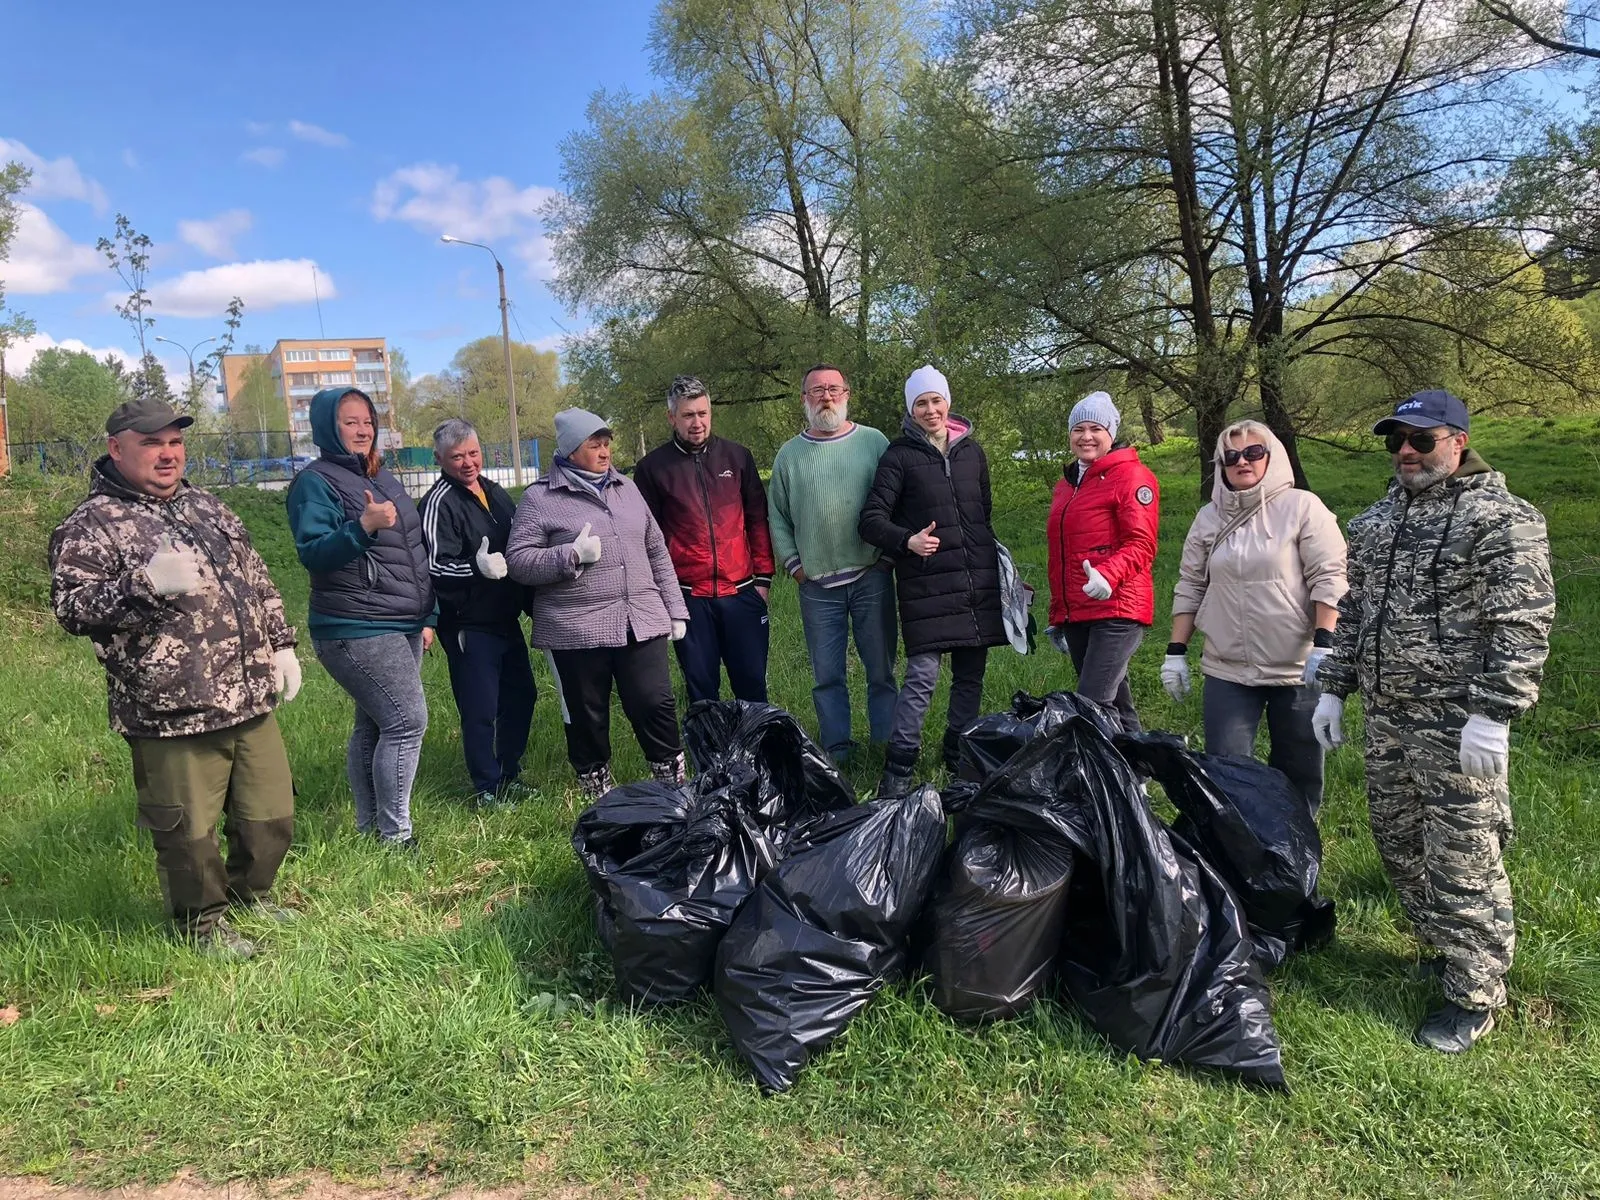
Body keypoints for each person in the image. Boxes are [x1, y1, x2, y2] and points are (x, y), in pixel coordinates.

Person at [1313, 390, 1554, 1053]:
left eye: (1421, 440)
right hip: (1390, 720)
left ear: (1457, 441)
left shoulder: (1500, 519)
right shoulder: (1379, 522)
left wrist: (1493, 713)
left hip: (1457, 723)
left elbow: (1522, 621)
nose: (1407, 454)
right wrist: (1334, 689)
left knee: (1463, 857)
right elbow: (1355, 608)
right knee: (1401, 847)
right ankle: (1446, 949)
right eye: (1396, 442)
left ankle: (1475, 994)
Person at [49, 397, 301, 959]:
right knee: (189, 833)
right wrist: (144, 583)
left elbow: (256, 579)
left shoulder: (209, 507)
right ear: (116, 449)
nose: (168, 455)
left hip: (248, 693)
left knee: (271, 818)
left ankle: (249, 897)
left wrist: (282, 645)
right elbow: (71, 608)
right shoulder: (89, 525)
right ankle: (201, 925)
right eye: (151, 443)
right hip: (170, 706)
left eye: (175, 442)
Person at [1161, 421, 1347, 812]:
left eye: (1253, 453)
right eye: (1231, 456)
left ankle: (1295, 861)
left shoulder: (1302, 507)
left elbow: (1329, 577)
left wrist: (1324, 644)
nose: (1242, 461)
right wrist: (1175, 651)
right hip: (1228, 668)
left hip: (1295, 667)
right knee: (1226, 774)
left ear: (1271, 456)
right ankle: (1238, 860)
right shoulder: (1207, 519)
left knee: (1299, 774)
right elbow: (1191, 584)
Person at [505, 408, 690, 801]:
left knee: (654, 702)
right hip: (577, 629)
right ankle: (600, 795)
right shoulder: (540, 498)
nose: (604, 451)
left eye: (607, 443)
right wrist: (568, 556)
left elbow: (656, 549)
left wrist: (675, 608)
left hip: (640, 617)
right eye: (595, 444)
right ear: (571, 450)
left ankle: (673, 787)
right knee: (588, 714)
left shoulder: (626, 487)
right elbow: (518, 561)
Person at [286, 387, 435, 849]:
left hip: (401, 620)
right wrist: (362, 527)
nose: (362, 429)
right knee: (407, 722)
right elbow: (314, 553)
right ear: (329, 427)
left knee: (375, 723)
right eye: (350, 422)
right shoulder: (315, 482)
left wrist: (428, 614)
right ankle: (396, 836)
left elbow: (411, 551)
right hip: (356, 624)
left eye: (367, 420)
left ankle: (370, 828)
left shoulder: (381, 475)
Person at [860, 364, 1005, 795]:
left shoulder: (972, 453)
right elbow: (870, 522)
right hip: (926, 585)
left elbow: (983, 516)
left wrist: (1004, 575)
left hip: (976, 582)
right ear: (910, 409)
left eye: (936, 400)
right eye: (920, 403)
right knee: (922, 677)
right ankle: (899, 769)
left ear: (948, 402)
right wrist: (908, 541)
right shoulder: (898, 456)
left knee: (970, 677)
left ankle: (958, 755)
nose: (930, 409)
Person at [767, 363, 897, 765]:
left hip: (870, 574)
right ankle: (837, 750)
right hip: (816, 583)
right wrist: (794, 566)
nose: (826, 396)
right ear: (804, 399)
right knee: (826, 675)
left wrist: (888, 557)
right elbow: (778, 516)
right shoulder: (790, 455)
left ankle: (886, 745)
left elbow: (899, 498)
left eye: (834, 389)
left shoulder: (874, 443)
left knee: (881, 670)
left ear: (847, 394)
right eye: (817, 390)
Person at [633, 375, 775, 703]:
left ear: (710, 413)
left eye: (702, 413)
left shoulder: (737, 458)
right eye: (687, 415)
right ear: (672, 417)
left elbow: (757, 520)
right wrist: (662, 594)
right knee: (701, 692)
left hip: (741, 593)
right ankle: (708, 755)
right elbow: (647, 538)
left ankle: (754, 754)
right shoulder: (653, 468)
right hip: (688, 598)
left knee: (752, 687)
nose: (697, 422)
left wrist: (763, 580)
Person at [419, 418, 538, 808]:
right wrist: (476, 567)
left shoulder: (494, 491)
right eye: (457, 457)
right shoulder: (438, 503)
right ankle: (486, 787)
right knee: (480, 708)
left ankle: (509, 773)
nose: (467, 463)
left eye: (473, 453)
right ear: (439, 459)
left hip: (506, 618)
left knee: (521, 696)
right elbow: (434, 567)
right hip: (468, 624)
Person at [1044, 391, 1160, 732]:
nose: (1086, 437)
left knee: (1092, 703)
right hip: (1079, 609)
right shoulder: (1066, 486)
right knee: (1118, 706)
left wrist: (1108, 576)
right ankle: (1137, 780)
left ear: (1111, 433)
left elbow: (1142, 543)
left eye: (1096, 428)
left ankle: (1104, 782)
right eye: (1079, 429)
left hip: (1117, 607)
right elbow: (1065, 553)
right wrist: (1058, 611)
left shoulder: (1133, 477)